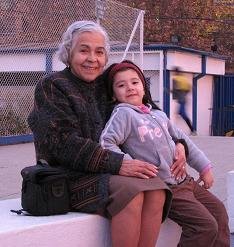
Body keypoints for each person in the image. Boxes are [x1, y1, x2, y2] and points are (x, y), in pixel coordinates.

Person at [28, 20, 188, 247]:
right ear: (68, 52)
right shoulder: (52, 86)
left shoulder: (106, 84)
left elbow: (148, 110)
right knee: (132, 192)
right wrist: (118, 163)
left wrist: (179, 142)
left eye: (99, 52)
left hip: (107, 172)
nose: (92, 58)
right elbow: (62, 143)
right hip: (67, 178)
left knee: (158, 192)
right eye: (84, 50)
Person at [100, 60, 230, 247]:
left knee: (219, 212)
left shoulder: (159, 115)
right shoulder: (123, 115)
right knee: (205, 226)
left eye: (135, 82)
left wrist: (204, 168)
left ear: (144, 88)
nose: (130, 87)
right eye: (121, 85)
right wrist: (129, 163)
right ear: (113, 94)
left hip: (187, 182)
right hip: (168, 188)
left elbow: (184, 141)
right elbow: (106, 142)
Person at [172, 66, 195, 134]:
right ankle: (175, 130)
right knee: (179, 113)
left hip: (181, 100)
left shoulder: (175, 79)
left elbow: (175, 89)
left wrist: (170, 92)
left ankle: (192, 130)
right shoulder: (184, 79)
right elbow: (190, 88)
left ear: (175, 72)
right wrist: (184, 94)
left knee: (183, 114)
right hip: (184, 99)